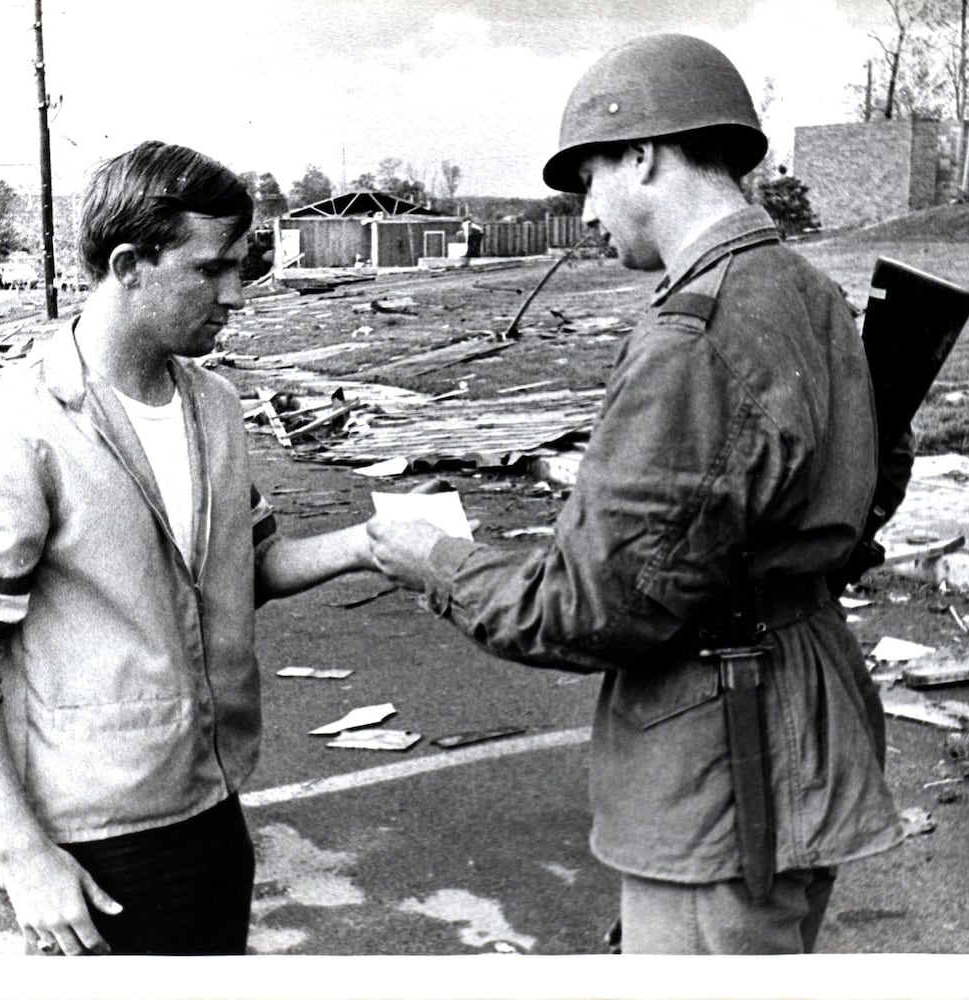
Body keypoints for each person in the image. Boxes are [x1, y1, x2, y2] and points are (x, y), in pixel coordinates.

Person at [368, 34, 904, 955]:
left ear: (644, 154)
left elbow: (588, 608)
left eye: (586, 179)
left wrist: (441, 564)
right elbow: (871, 487)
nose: (582, 214)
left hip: (721, 761)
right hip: (805, 720)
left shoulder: (691, 336)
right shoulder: (807, 293)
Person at [0, 140, 377, 956]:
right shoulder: (19, 430)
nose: (237, 296)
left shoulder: (215, 405)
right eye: (210, 270)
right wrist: (21, 855)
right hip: (96, 847)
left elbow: (242, 571)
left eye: (241, 268)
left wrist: (368, 543)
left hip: (215, 810)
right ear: (129, 265)